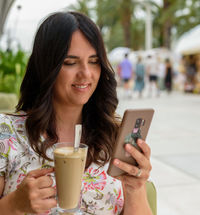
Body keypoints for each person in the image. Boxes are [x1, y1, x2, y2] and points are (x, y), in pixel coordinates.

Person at [0, 12, 152, 215]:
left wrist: (135, 189)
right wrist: (13, 205)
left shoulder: (115, 138)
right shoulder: (7, 135)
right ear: (47, 67)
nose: (86, 74)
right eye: (70, 62)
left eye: (94, 61)